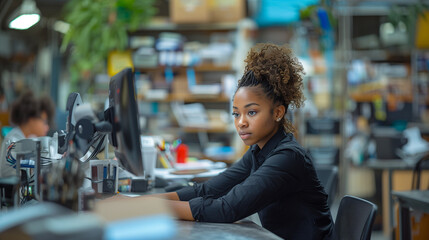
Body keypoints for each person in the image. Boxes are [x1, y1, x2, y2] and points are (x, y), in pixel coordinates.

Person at [111, 43, 334, 239]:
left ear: (277, 112)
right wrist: (138, 201)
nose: (241, 122)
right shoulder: (260, 152)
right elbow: (207, 191)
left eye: (252, 113)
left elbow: (226, 209)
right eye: (236, 114)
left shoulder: (287, 158)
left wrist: (144, 207)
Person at [0, 91, 55, 178]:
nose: (47, 127)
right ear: (31, 119)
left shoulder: (27, 139)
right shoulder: (13, 141)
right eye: (44, 121)